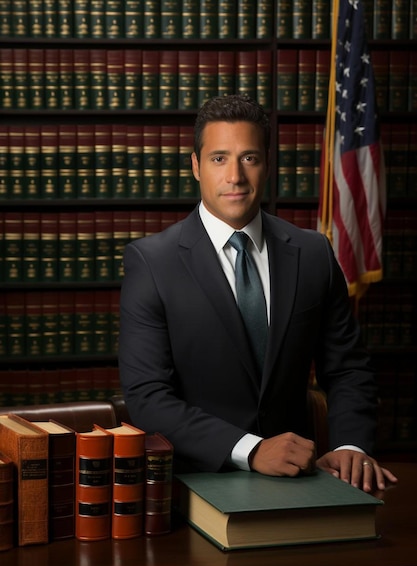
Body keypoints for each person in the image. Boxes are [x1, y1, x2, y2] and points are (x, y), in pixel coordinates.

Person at [118, 94, 398, 493]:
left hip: (303, 479)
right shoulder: (152, 262)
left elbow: (348, 368)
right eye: (219, 159)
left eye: (248, 158)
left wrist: (350, 446)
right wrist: (250, 449)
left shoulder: (313, 253)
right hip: (196, 484)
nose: (235, 176)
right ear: (196, 166)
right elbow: (148, 398)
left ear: (267, 164)